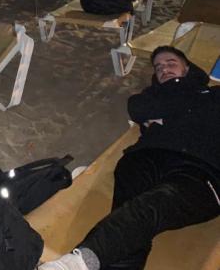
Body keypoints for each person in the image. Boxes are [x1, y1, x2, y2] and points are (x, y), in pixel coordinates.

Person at [39, 46, 220, 270]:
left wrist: (171, 109)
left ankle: (73, 264)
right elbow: (137, 107)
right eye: (159, 67)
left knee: (154, 204)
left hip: (202, 170)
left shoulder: (213, 94)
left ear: (188, 68)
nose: (164, 69)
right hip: (145, 157)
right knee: (130, 214)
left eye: (171, 63)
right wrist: (175, 99)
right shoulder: (151, 97)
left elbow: (161, 109)